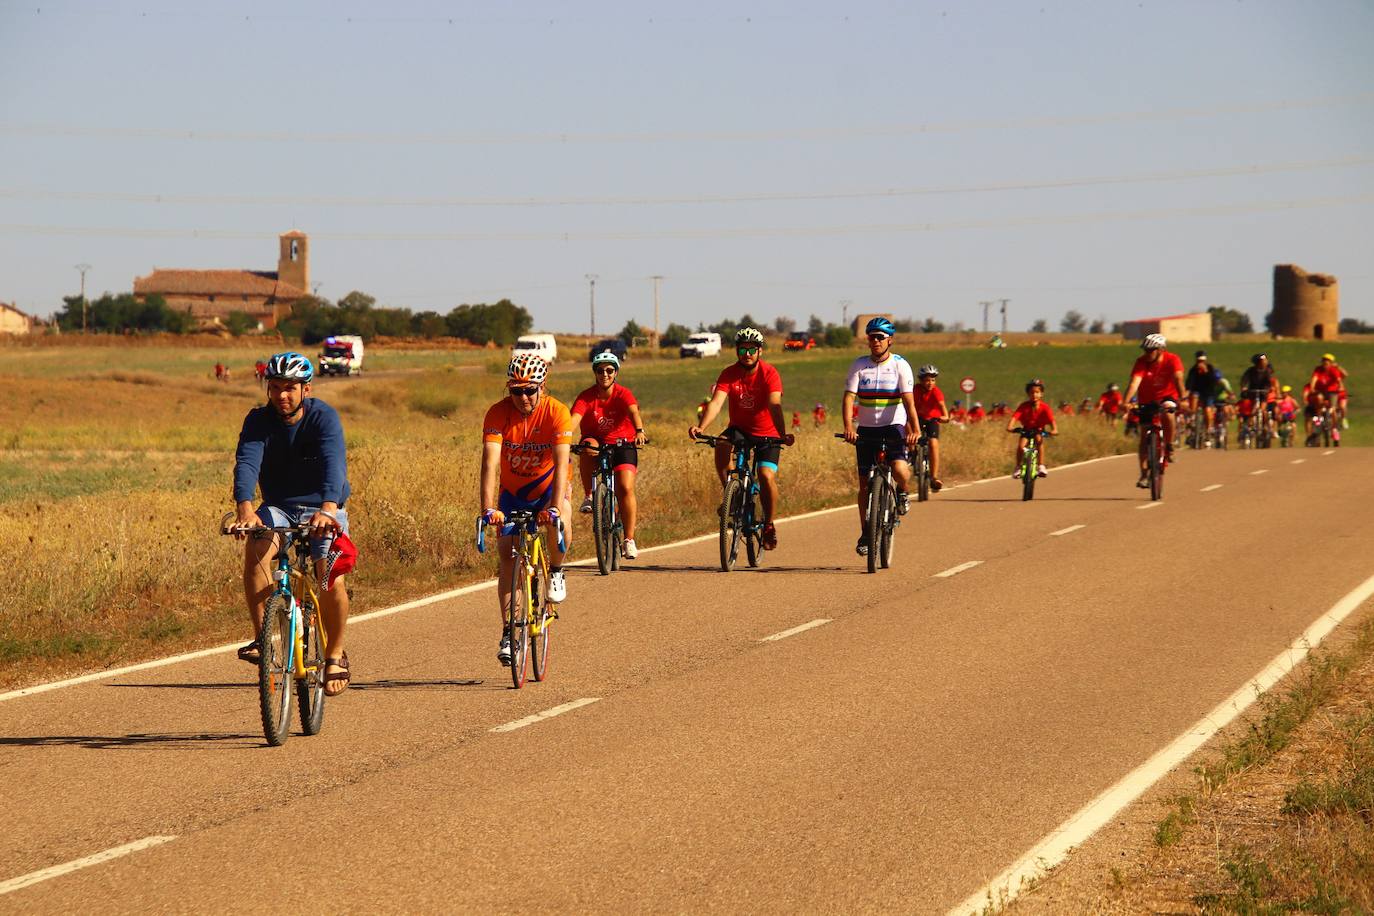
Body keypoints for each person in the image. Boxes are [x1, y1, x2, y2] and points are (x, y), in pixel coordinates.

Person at [228, 352, 354, 696]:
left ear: (306, 389)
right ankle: (264, 641)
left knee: (328, 574)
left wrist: (328, 509)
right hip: (278, 507)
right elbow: (247, 462)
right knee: (256, 550)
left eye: (290, 388)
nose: (282, 395)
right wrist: (245, 508)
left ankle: (335, 654)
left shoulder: (324, 418)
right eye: (275, 388)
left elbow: (333, 463)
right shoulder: (258, 420)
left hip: (323, 507)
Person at [480, 352, 573, 666]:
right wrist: (487, 508)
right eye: (516, 390)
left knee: (562, 524)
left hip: (548, 488)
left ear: (542, 386)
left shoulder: (557, 412)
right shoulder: (497, 413)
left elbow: (562, 465)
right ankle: (509, 631)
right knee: (507, 556)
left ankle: (557, 571)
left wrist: (556, 508)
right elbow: (490, 464)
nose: (523, 397)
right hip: (514, 492)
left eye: (529, 390)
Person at [688, 327, 795, 551]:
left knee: (765, 475)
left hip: (768, 432)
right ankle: (731, 494)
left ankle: (769, 524)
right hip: (740, 429)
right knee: (721, 443)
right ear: (737, 351)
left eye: (752, 349)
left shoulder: (769, 373)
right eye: (743, 349)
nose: (747, 354)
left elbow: (775, 404)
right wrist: (700, 426)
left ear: (760, 351)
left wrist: (782, 433)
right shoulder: (728, 373)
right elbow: (716, 403)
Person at [841, 317, 920, 557]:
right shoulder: (859, 365)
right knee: (864, 484)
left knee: (898, 469)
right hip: (866, 428)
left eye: (880, 337)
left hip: (893, 426)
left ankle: (903, 491)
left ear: (889, 340)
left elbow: (908, 401)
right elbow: (848, 399)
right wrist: (848, 427)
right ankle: (866, 532)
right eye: (871, 337)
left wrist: (914, 429)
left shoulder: (900, 365)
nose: (875, 341)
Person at [570, 351, 647, 560]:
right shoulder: (586, 396)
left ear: (616, 373)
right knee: (586, 446)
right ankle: (589, 495)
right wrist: (563, 438)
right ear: (595, 373)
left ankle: (629, 539)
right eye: (600, 370)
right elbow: (573, 419)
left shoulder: (623, 394)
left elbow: (633, 412)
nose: (605, 374)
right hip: (596, 441)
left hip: (623, 443)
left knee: (625, 487)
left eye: (609, 370)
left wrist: (639, 431)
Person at [1122, 334, 1185, 488]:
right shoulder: (1141, 362)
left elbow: (1178, 379)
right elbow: (1134, 383)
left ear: (1161, 350)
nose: (1147, 353)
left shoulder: (1172, 359)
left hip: (1167, 396)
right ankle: (1144, 474)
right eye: (1145, 350)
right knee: (1144, 436)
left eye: (1150, 350)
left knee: (1168, 413)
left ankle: (1169, 445)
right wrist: (1126, 401)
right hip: (1146, 399)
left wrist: (1183, 398)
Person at [1008, 379, 1057, 477]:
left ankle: (1041, 466)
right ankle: (1018, 467)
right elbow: (1014, 418)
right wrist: (1010, 427)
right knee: (1021, 446)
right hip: (1026, 430)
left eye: (1037, 392)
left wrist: (1054, 430)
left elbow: (1052, 422)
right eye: (1031, 392)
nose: (1034, 395)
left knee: (1039, 441)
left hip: (1038, 430)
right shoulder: (1023, 406)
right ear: (1028, 394)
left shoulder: (1045, 407)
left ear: (1041, 394)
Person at [913, 365, 950, 491]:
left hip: (932, 420)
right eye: (927, 380)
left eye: (933, 380)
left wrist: (944, 417)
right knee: (909, 434)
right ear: (921, 381)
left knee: (933, 443)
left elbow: (944, 411)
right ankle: (912, 454)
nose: (930, 383)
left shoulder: (936, 392)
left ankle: (934, 477)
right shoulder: (915, 390)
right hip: (917, 418)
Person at [1185, 351, 1226, 441]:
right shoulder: (1193, 370)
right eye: (1199, 361)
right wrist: (1187, 392)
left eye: (1202, 361)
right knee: (1194, 397)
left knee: (1207, 410)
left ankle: (1208, 428)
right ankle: (1192, 417)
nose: (1200, 363)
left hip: (1208, 392)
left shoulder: (1210, 368)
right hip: (1197, 391)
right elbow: (1189, 383)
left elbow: (1213, 381)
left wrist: (1206, 371)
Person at [1238, 353, 1279, 440]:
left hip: (1263, 392)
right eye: (1262, 361)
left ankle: (1266, 427)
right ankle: (1248, 427)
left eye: (1265, 360)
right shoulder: (1251, 371)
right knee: (1252, 410)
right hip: (1252, 392)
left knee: (1263, 410)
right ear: (1257, 362)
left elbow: (1269, 380)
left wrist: (1270, 388)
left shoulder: (1267, 371)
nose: (1264, 362)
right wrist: (1244, 388)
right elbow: (1244, 380)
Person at [1308, 353, 1349, 429]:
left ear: (1331, 363)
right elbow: (1314, 379)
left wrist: (1340, 386)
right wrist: (1312, 388)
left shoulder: (1333, 370)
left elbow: (1339, 379)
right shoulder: (1318, 369)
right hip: (1322, 391)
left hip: (1332, 391)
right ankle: (1319, 419)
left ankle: (1335, 427)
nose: (1325, 363)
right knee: (1318, 400)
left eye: (1327, 361)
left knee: (1333, 408)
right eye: (1324, 361)